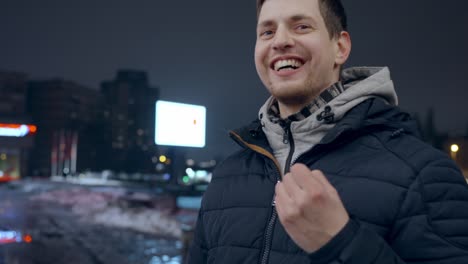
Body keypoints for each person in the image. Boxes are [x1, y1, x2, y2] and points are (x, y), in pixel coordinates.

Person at [188, 0, 468, 263]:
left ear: (340, 47)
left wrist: (342, 243)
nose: (281, 41)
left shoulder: (423, 173)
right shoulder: (226, 177)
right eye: (267, 31)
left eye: (301, 26)